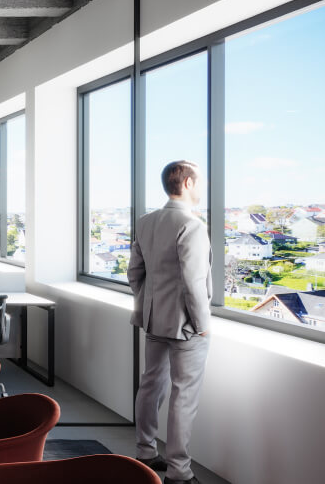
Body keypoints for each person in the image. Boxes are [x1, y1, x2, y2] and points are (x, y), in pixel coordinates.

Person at [128, 160, 211, 484]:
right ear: (188, 183)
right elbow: (193, 282)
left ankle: (145, 452)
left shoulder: (146, 222)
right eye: (200, 182)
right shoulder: (191, 225)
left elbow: (135, 273)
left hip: (153, 320)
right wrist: (202, 324)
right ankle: (179, 471)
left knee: (151, 385)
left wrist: (149, 302)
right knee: (183, 395)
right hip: (187, 325)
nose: (202, 188)